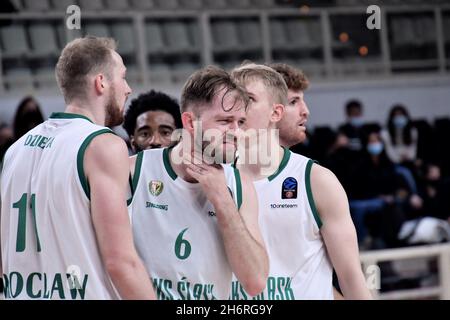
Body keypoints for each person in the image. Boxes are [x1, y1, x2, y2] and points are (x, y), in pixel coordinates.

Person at [0, 36, 155, 300]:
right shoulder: (103, 146)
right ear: (101, 82)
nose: (128, 88)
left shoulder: (15, 150)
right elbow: (121, 263)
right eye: (123, 77)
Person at [230, 63, 372, 299]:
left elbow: (351, 280)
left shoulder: (317, 181)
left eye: (248, 99)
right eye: (294, 101)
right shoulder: (214, 179)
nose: (305, 111)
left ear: (274, 112)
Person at [128, 65, 269, 300]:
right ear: (190, 123)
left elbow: (255, 281)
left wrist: (222, 199)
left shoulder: (239, 184)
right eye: (225, 121)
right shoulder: (134, 171)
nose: (236, 131)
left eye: (241, 122)